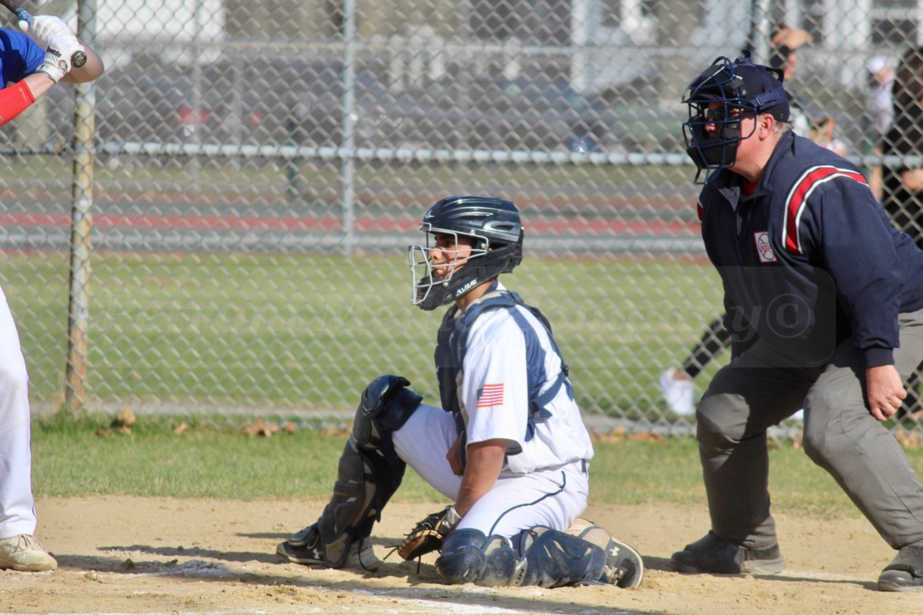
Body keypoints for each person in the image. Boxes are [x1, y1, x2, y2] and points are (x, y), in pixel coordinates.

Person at [276, 195, 643, 588]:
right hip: (495, 465)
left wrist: (455, 518)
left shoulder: (498, 330)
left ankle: (590, 554)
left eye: (451, 244)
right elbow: (477, 433)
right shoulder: (467, 315)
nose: (436, 255)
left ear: (488, 252)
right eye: (438, 242)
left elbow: (490, 449)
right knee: (384, 406)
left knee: (464, 562)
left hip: (541, 476)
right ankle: (335, 543)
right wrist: (463, 440)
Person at [672, 55, 923, 592]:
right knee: (724, 411)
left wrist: (879, 360)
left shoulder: (820, 184)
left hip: (893, 311)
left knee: (832, 424)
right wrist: (748, 371)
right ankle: (741, 542)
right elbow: (744, 295)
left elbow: (874, 281)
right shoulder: (721, 195)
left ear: (764, 124)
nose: (707, 126)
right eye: (705, 113)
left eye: (721, 114)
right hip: (812, 322)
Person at [0, 15, 103, 572]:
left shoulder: (6, 43)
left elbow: (91, 71)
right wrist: (51, 69)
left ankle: (12, 529)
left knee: (8, 375)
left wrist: (65, 45)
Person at [880, 46, 923, 420]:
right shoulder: (908, 122)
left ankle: (910, 401)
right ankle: (908, 402)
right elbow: (911, 179)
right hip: (910, 230)